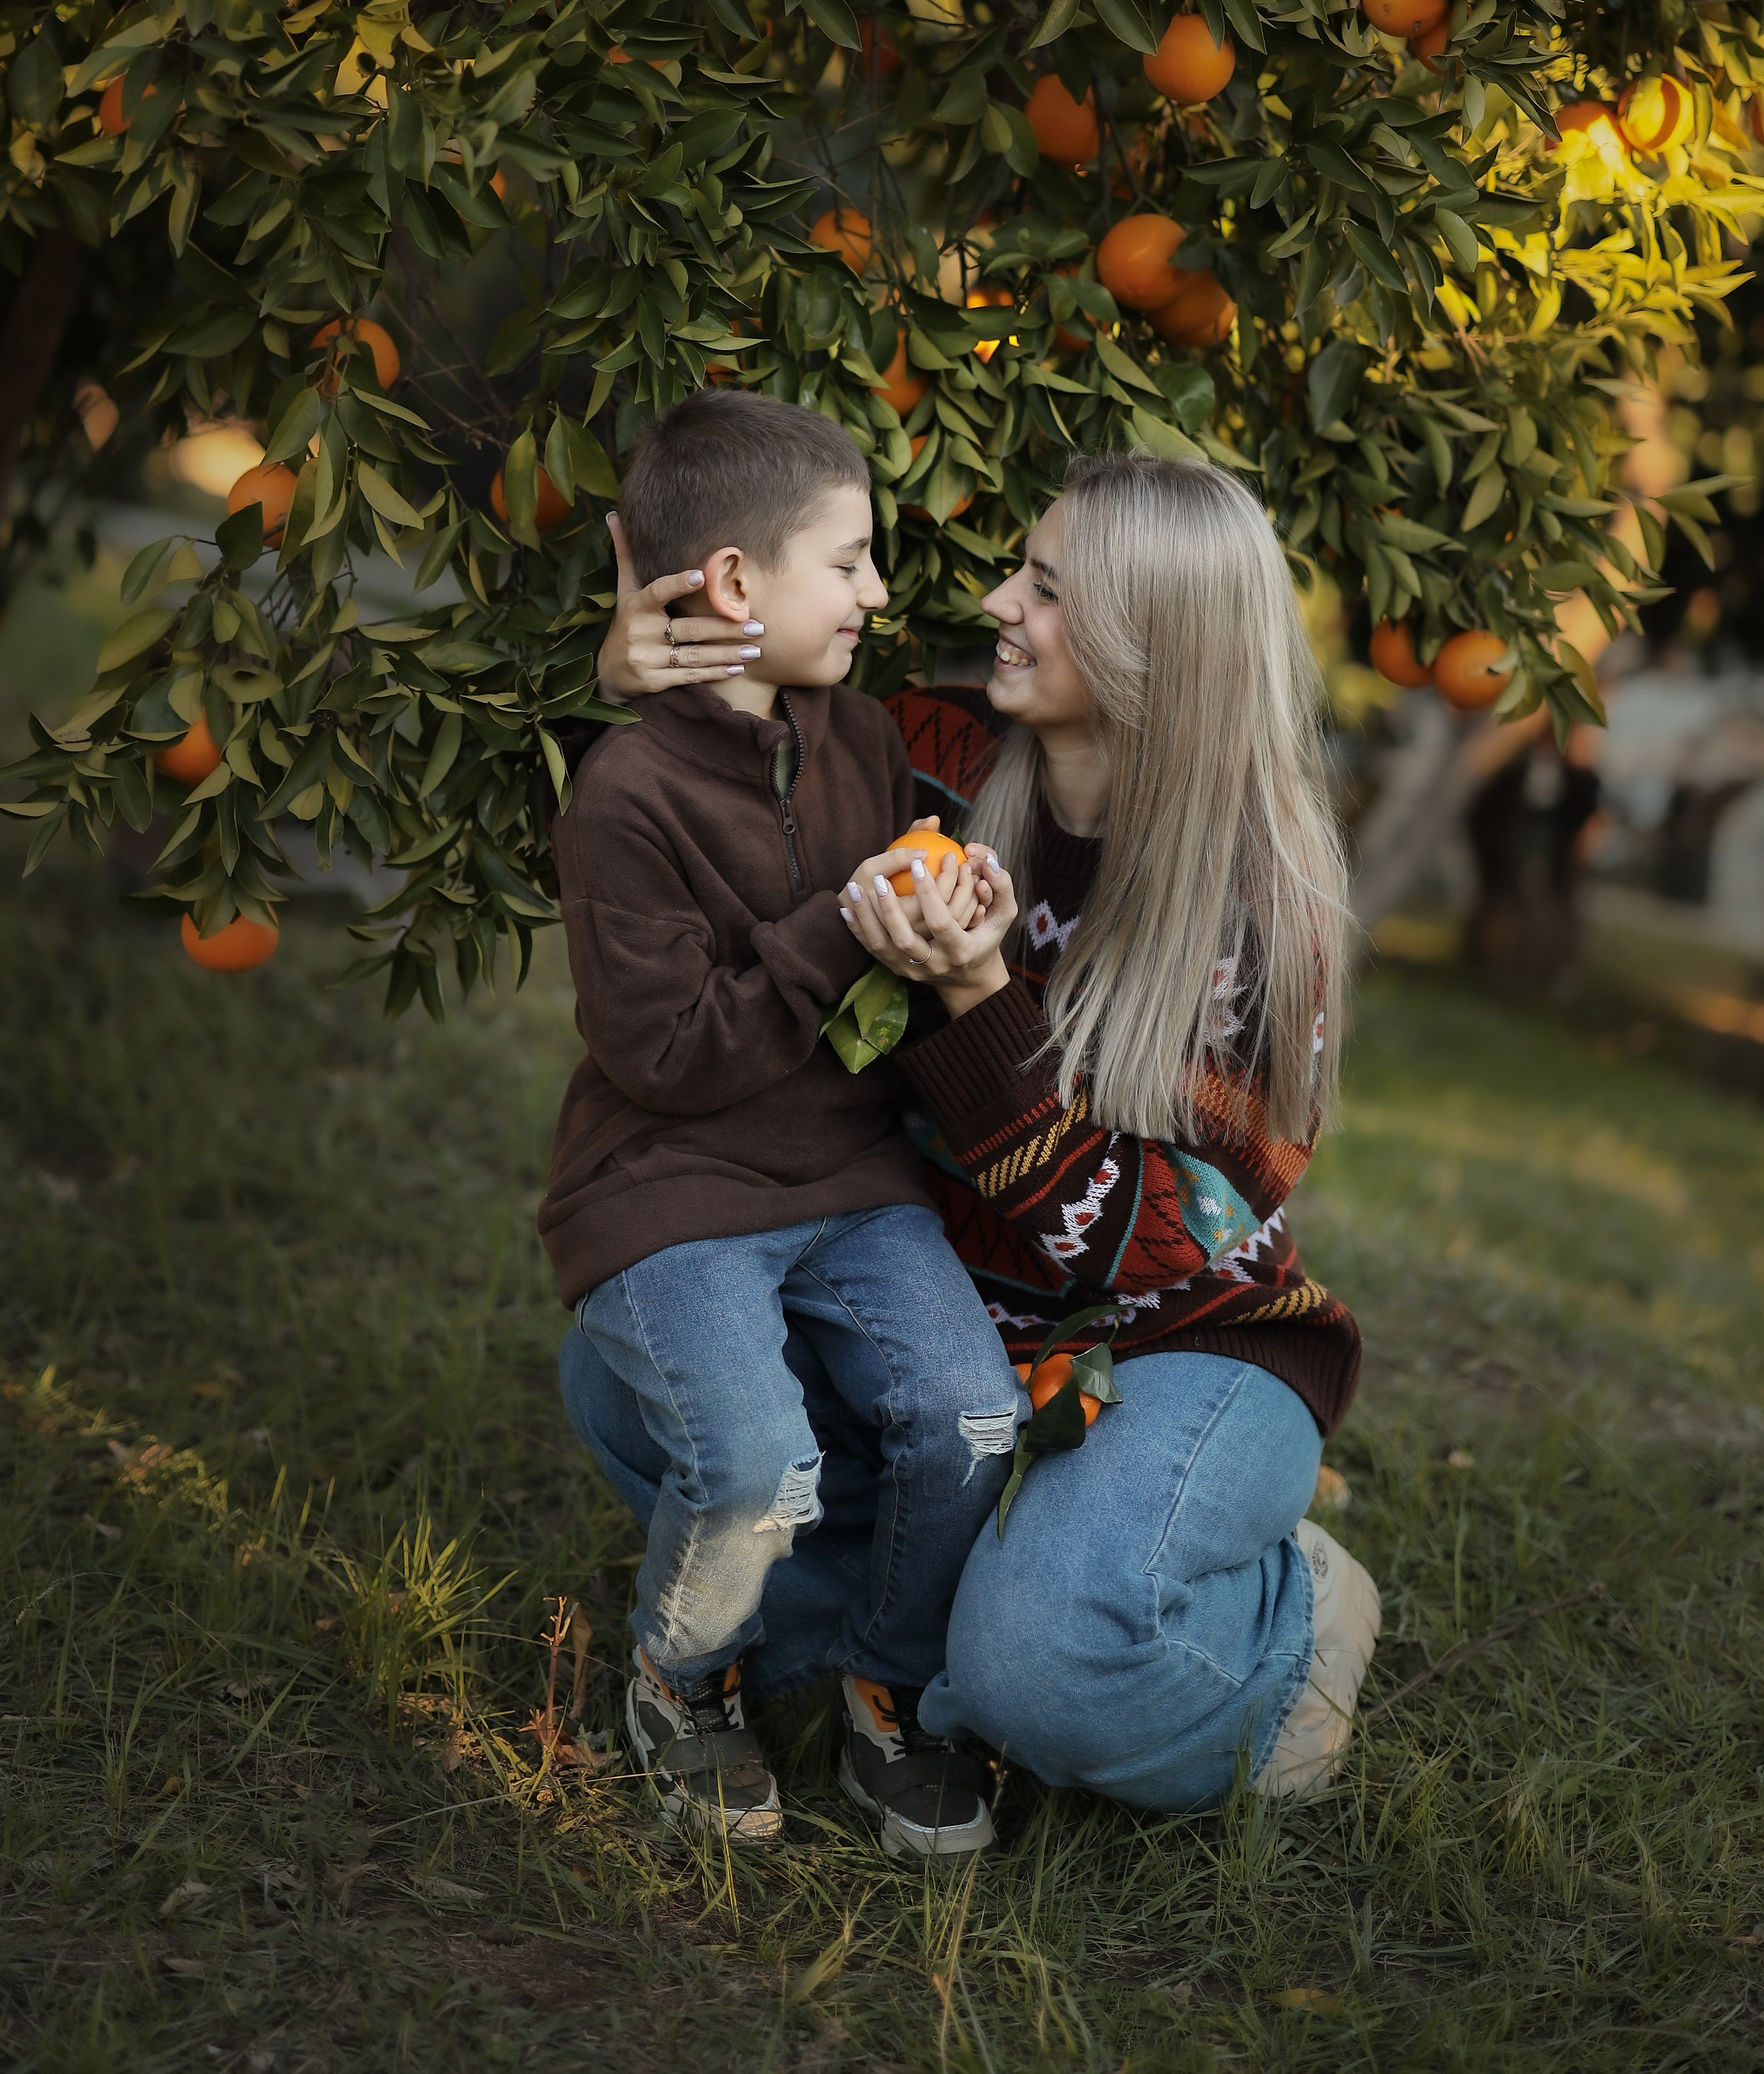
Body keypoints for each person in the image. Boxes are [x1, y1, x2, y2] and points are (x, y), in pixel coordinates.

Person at [580, 449, 1378, 1813]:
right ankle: (935, 1628)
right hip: (942, 1316)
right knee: (628, 1377)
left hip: (1178, 1341)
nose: (998, 601)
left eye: (1046, 588)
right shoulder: (923, 753)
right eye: (1021, 568)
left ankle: (1294, 1615)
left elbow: (1142, 1251)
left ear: (1150, 644)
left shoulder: (1262, 904)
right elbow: (698, 811)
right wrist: (641, 684)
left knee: (1038, 1671)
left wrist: (976, 998)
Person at [540, 390, 1021, 1859]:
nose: (878, 592)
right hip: (673, 1187)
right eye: (851, 560)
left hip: (851, 1179)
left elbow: (907, 949)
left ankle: (890, 1684)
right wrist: (839, 929)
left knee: (971, 1416)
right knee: (761, 1467)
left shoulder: (864, 735)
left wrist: (955, 924)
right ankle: (682, 1677)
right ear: (737, 582)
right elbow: (669, 1054)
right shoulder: (626, 793)